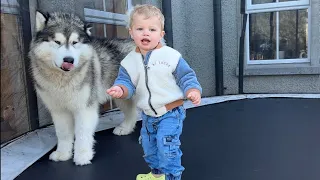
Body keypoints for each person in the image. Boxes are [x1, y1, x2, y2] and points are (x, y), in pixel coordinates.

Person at [107, 4, 202, 180]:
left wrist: (193, 89)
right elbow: (126, 81)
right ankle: (157, 176)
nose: (146, 33)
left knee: (167, 148)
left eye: (152, 29)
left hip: (170, 112)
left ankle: (173, 177)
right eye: (140, 29)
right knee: (149, 148)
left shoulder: (171, 56)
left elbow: (186, 76)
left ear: (161, 34)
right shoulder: (129, 61)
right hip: (148, 115)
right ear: (131, 32)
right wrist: (120, 89)